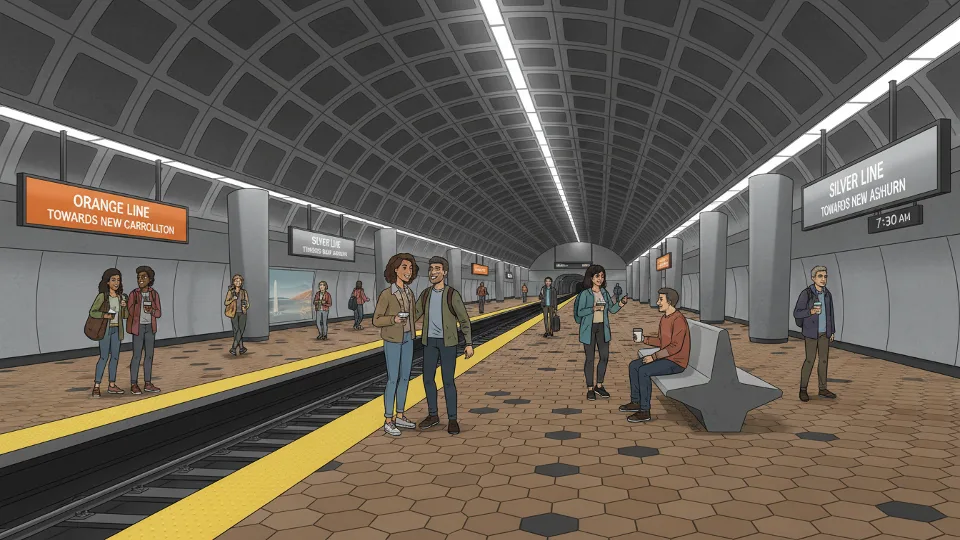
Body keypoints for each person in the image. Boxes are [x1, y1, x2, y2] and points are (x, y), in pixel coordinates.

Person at [415, 256, 474, 435]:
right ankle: (433, 415)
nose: (433, 272)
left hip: (448, 343)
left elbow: (464, 319)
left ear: (445, 272)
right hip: (429, 342)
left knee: (448, 381)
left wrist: (469, 343)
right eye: (431, 268)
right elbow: (415, 313)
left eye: (438, 269)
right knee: (427, 380)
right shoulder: (425, 294)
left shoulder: (451, 294)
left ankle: (452, 419)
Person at [621, 288, 690, 422]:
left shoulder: (678, 320)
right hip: (666, 357)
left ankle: (644, 411)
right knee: (633, 365)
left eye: (661, 299)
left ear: (669, 302)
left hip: (676, 362)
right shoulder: (664, 318)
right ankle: (636, 402)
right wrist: (644, 339)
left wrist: (653, 357)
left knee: (644, 371)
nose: (658, 302)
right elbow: (662, 341)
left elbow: (675, 347)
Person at [373, 253, 421, 436]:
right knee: (393, 378)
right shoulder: (387, 294)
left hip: (408, 338)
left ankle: (400, 414)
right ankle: (388, 419)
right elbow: (376, 320)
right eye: (404, 268)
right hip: (393, 340)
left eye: (410, 268)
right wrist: (392, 319)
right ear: (395, 269)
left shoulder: (409, 293)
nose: (408, 272)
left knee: (405, 378)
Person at [574, 265, 628, 401]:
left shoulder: (604, 292)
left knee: (604, 357)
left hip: (603, 328)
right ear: (591, 277)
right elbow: (579, 312)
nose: (600, 279)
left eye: (602, 276)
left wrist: (621, 303)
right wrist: (592, 309)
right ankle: (590, 388)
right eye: (597, 276)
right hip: (589, 328)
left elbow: (612, 310)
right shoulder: (585, 294)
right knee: (590, 359)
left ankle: (599, 385)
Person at [793, 265, 837, 402]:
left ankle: (822, 388)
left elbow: (830, 314)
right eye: (820, 276)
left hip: (825, 333)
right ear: (813, 278)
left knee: (823, 361)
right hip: (811, 333)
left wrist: (832, 330)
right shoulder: (806, 294)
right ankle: (803, 389)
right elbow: (796, 312)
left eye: (825, 276)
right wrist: (810, 312)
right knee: (809, 360)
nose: (823, 279)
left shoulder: (827, 294)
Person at [90, 268, 128, 397]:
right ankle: (96, 385)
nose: (116, 282)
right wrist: (105, 315)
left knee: (115, 357)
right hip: (106, 330)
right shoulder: (102, 296)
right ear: (107, 282)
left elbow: (125, 316)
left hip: (117, 330)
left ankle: (112, 385)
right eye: (113, 280)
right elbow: (93, 312)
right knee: (104, 357)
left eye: (118, 280)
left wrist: (124, 307)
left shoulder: (121, 297)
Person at [126, 266, 161, 395]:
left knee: (149, 356)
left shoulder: (154, 294)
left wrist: (151, 310)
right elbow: (129, 311)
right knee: (136, 356)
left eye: (143, 277)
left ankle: (147, 383)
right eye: (138, 277)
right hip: (138, 327)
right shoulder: (134, 294)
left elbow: (158, 313)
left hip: (150, 328)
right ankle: (134, 383)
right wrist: (137, 306)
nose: (140, 280)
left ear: (150, 279)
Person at [224, 274, 250, 356]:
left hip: (242, 313)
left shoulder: (244, 292)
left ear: (241, 282)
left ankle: (240, 348)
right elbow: (226, 302)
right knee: (236, 331)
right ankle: (234, 348)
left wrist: (245, 306)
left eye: (239, 281)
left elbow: (248, 303)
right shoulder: (230, 292)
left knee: (240, 330)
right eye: (236, 281)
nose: (238, 282)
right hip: (233, 313)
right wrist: (232, 299)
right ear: (233, 282)